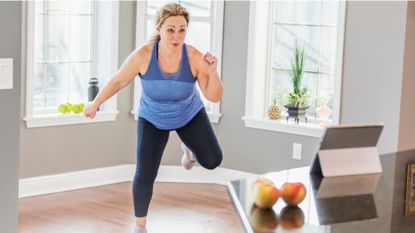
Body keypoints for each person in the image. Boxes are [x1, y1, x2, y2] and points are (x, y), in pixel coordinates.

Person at [83, 3, 223, 233]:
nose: (177, 36)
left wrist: (213, 72)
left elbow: (213, 96)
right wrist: (95, 103)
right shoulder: (143, 55)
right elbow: (119, 80)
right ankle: (140, 226)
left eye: (182, 29)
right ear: (159, 28)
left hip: (188, 114)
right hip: (153, 118)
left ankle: (189, 150)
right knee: (145, 172)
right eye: (170, 30)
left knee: (212, 160)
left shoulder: (195, 57)